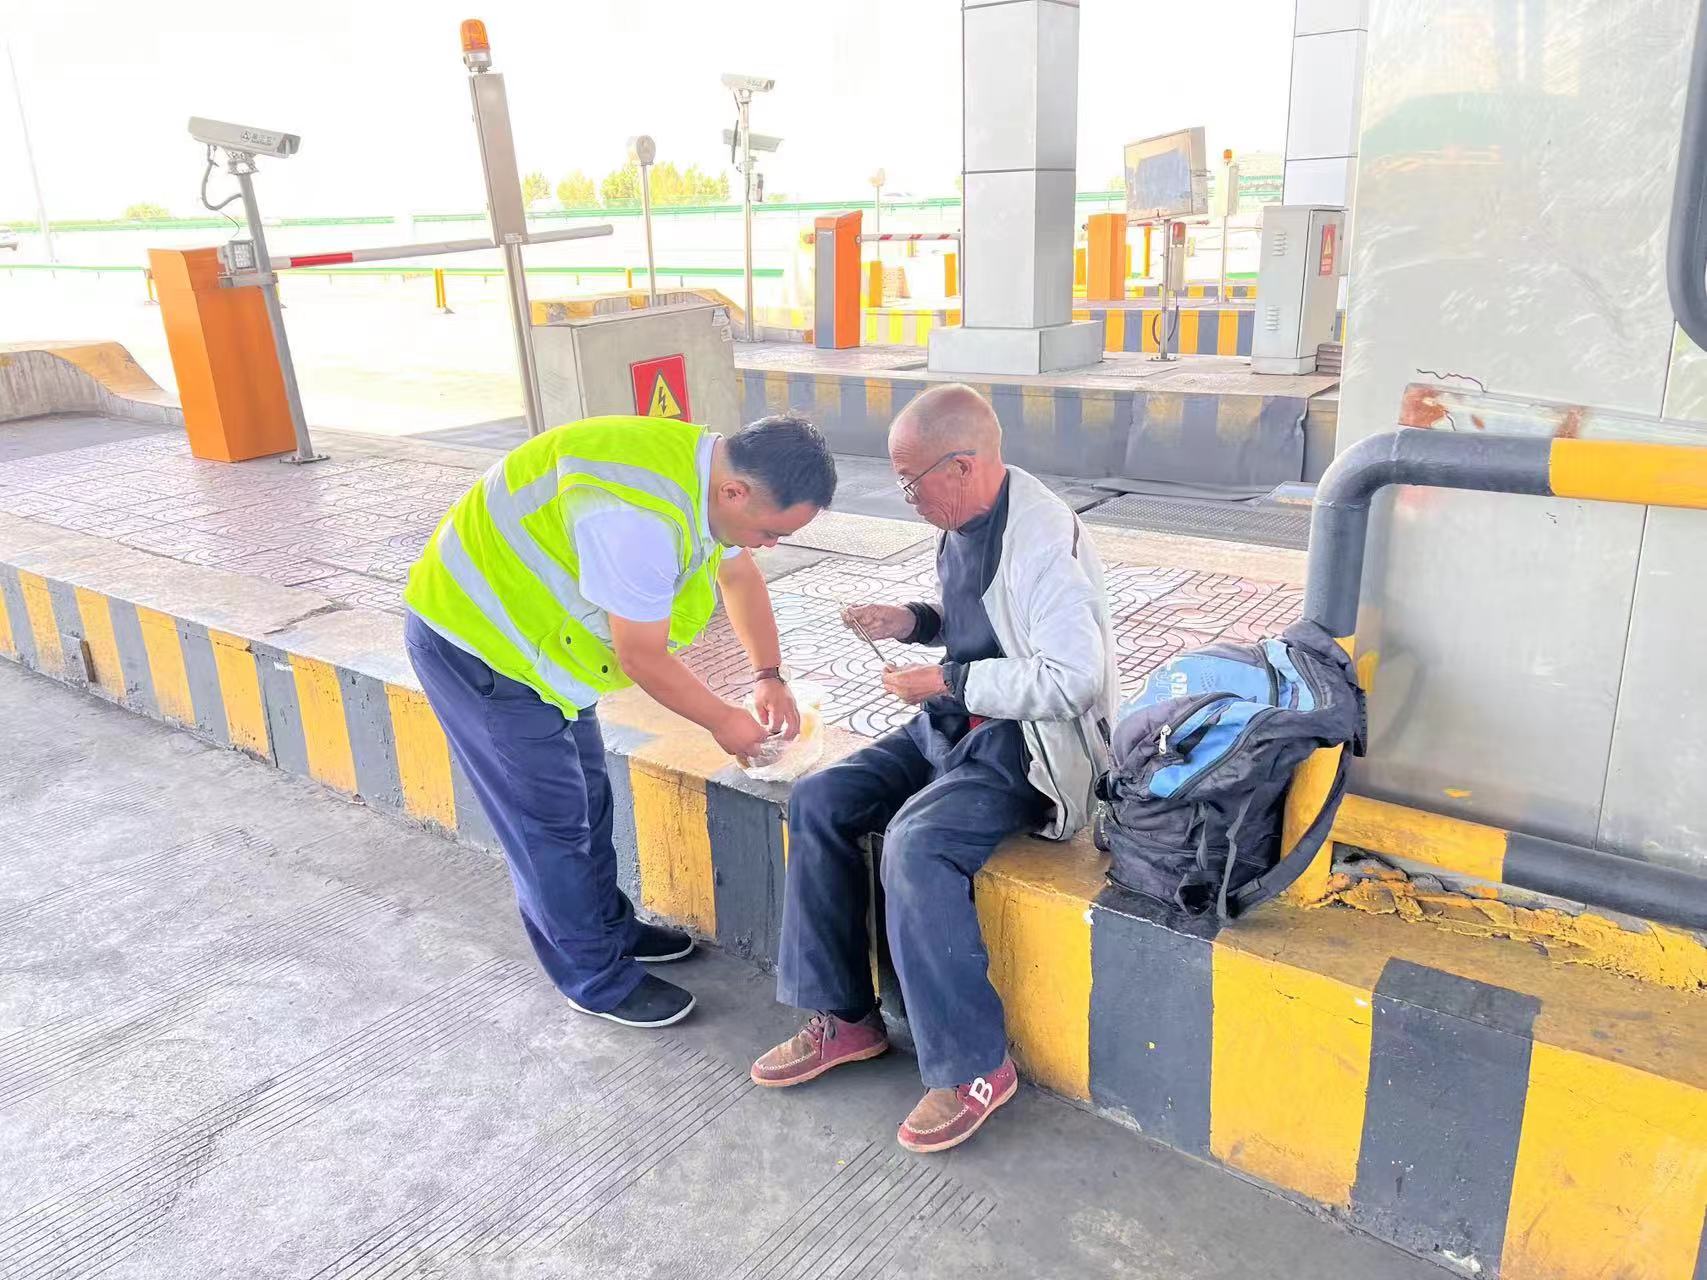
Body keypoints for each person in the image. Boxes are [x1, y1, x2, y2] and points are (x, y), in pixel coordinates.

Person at [751, 383, 1116, 1153]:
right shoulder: (961, 517)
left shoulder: (1041, 541)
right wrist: (914, 622)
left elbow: (1073, 679)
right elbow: (982, 619)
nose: (906, 496)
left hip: (1024, 747)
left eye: (910, 481)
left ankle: (974, 1067)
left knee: (918, 844)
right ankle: (845, 1017)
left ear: (962, 465)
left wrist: (946, 680)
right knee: (820, 799)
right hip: (952, 725)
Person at [404, 413, 837, 1030]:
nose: (768, 545)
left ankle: (608, 926)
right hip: (480, 647)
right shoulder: (636, 519)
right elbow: (642, 655)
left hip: (543, 650)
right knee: (549, 825)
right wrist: (724, 722)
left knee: (588, 798)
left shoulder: (708, 473)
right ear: (736, 492)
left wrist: (769, 674)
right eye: (770, 532)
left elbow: (738, 574)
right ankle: (594, 978)